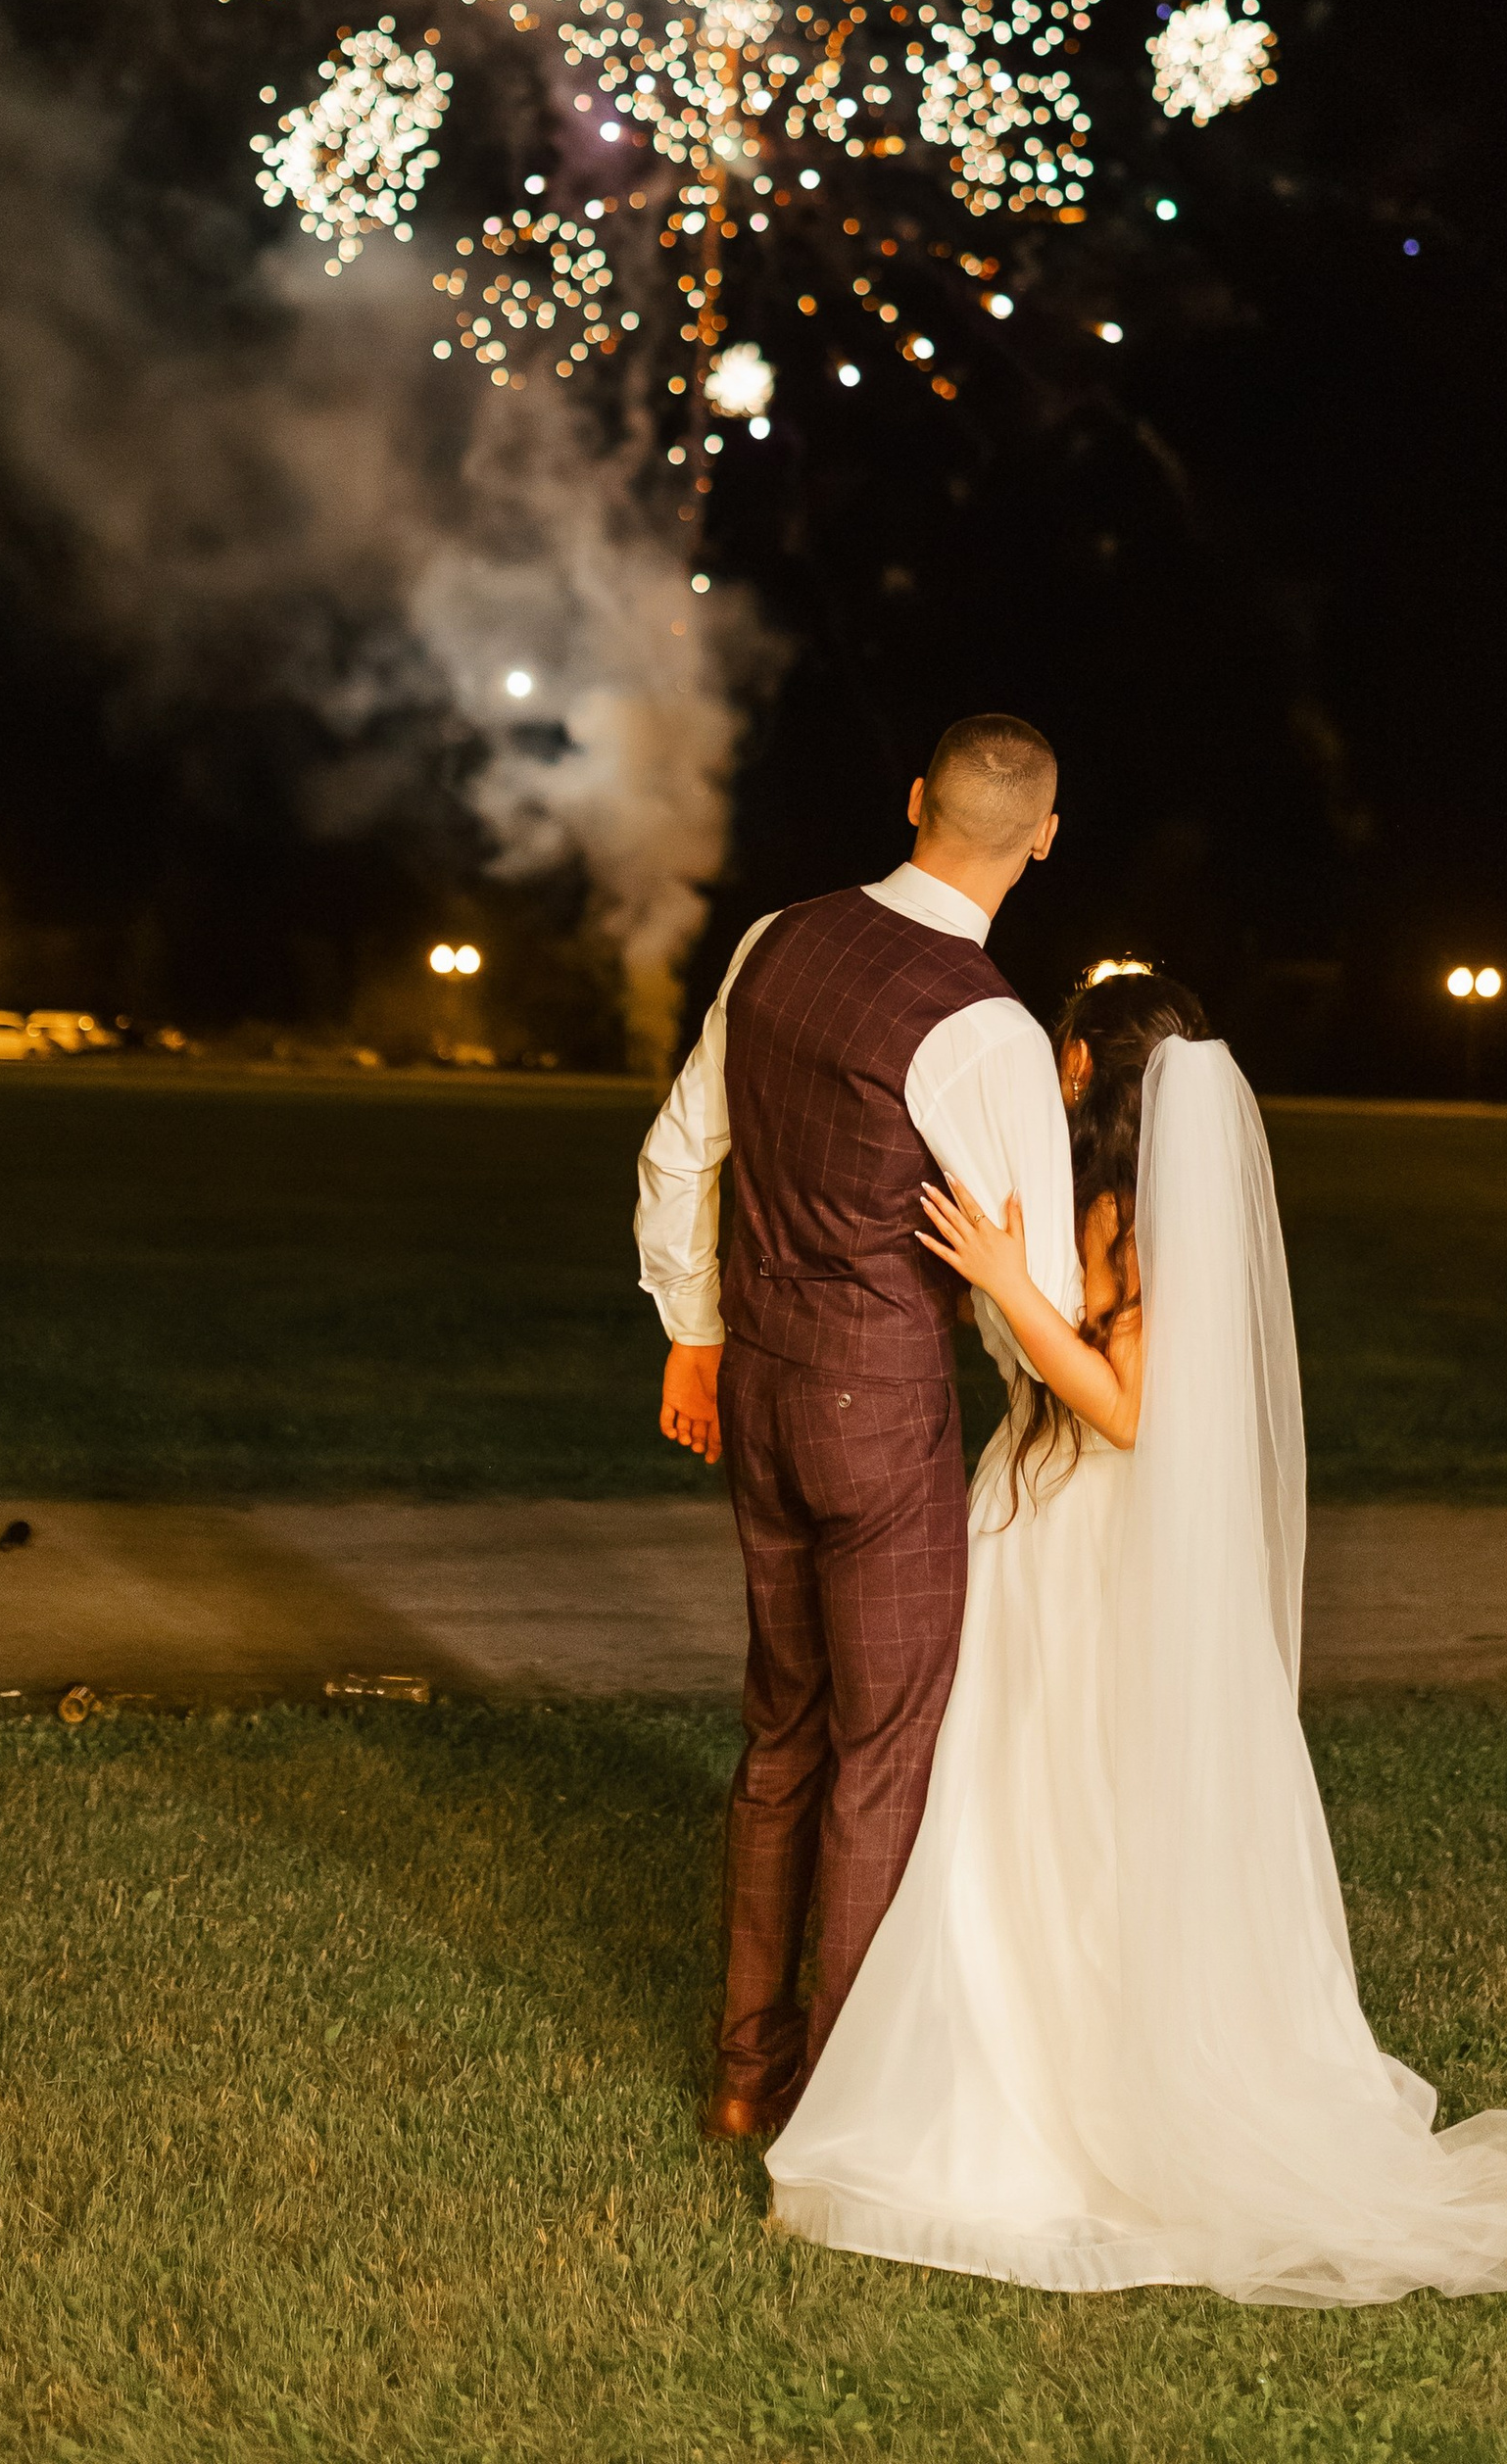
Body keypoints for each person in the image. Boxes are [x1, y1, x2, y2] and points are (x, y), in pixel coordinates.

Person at [765, 967, 1507, 2305]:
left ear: (1083, 1067)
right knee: (1015, 1801)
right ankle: (991, 2049)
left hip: (1086, 1537)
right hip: (1032, 1523)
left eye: (1062, 1045)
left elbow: (1130, 1413)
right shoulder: (1083, 1192)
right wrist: (988, 1284)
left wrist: (1008, 1283)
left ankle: (1071, 2083)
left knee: (1073, 1801)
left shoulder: (1138, 1214)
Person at [633, 713, 1078, 2143]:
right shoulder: (986, 1027)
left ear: (915, 799)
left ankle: (744, 2074)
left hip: (757, 1381)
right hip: (876, 1409)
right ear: (1044, 839)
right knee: (883, 1756)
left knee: (783, 1735)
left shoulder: (778, 937)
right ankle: (843, 2109)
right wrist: (1048, 1420)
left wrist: (694, 1332)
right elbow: (1029, 1286)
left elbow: (681, 1150)